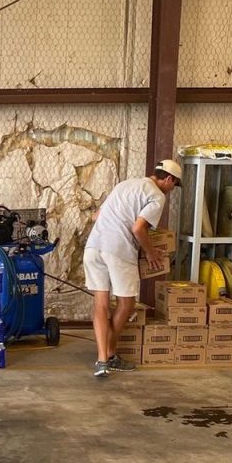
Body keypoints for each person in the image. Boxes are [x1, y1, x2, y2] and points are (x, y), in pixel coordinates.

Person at [83, 158, 182, 378]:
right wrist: (150, 252)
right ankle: (110, 353)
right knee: (126, 304)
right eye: (174, 185)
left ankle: (102, 360)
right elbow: (138, 229)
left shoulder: (126, 184)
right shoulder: (156, 196)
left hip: (93, 246)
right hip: (118, 249)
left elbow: (96, 216)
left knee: (100, 302)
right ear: (168, 179)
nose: (172, 190)